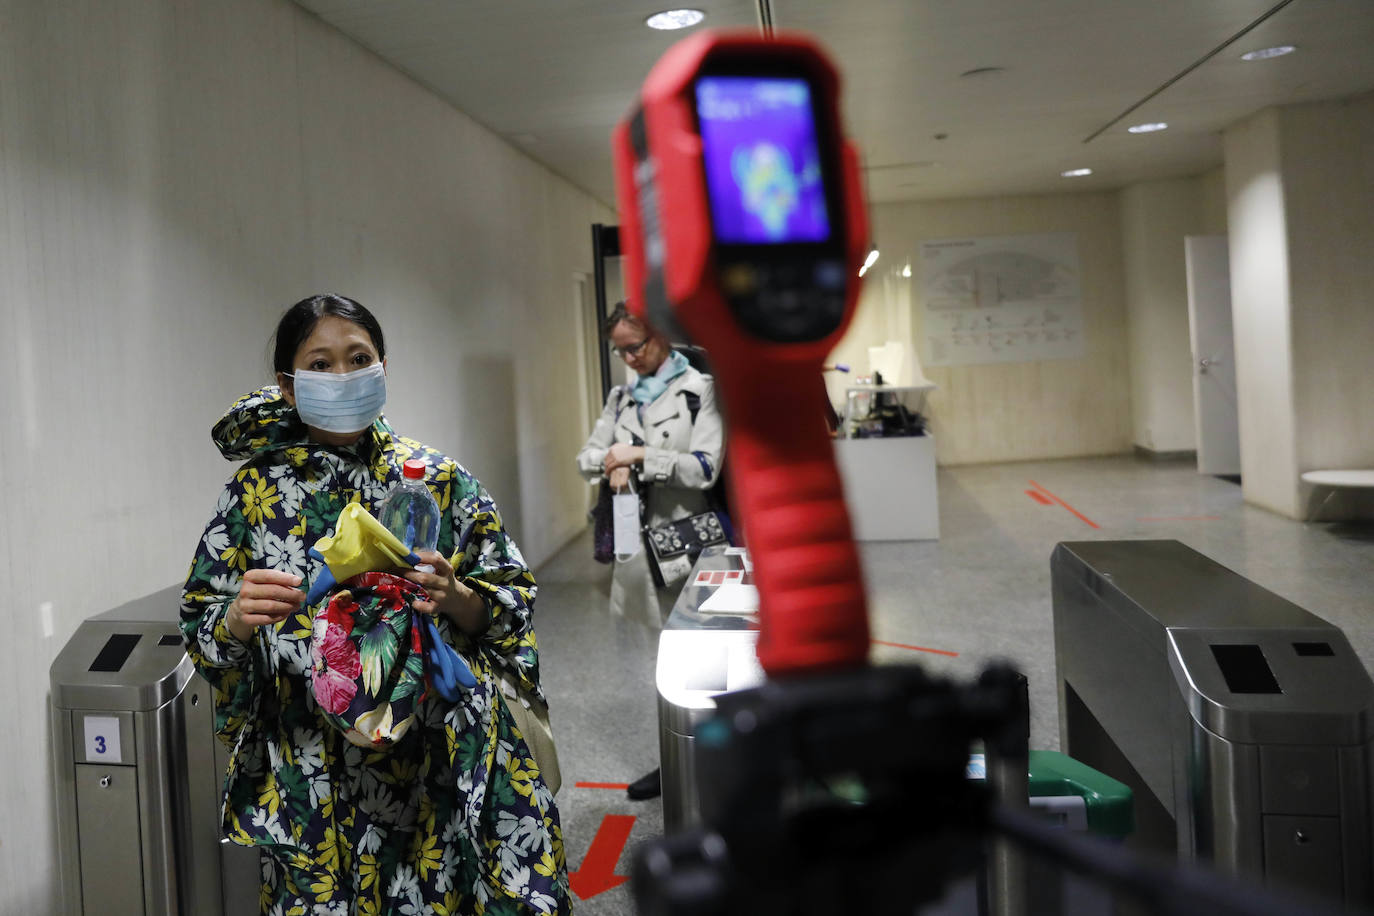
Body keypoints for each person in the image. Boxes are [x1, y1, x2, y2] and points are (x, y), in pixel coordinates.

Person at [181, 294, 570, 915]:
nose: (342, 376)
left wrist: (457, 596)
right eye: (322, 363)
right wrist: (233, 621)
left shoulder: (438, 480)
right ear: (288, 384)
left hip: (429, 779)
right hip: (311, 780)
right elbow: (202, 630)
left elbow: (513, 604)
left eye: (358, 358)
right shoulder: (252, 495)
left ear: (383, 367)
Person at [575, 301, 726, 800]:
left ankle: (722, 757)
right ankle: (677, 762)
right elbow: (588, 457)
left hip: (691, 544)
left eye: (635, 346)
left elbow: (705, 468)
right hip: (639, 548)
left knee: (708, 660)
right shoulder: (621, 398)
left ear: (660, 335)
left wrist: (640, 456)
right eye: (621, 351)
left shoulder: (700, 391)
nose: (630, 359)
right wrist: (611, 462)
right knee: (667, 662)